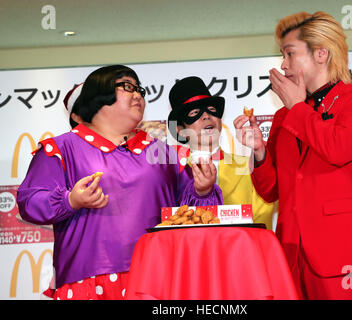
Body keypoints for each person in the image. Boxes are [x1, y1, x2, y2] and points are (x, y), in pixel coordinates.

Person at [17, 65, 223, 300]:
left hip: (158, 278)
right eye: (128, 87)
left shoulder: (165, 153)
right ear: (97, 93)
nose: (138, 94)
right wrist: (69, 200)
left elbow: (193, 216)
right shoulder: (61, 149)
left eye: (140, 89)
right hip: (88, 282)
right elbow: (29, 202)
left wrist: (203, 190)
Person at [234, 11, 352, 300]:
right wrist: (257, 150)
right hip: (289, 255)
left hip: (342, 254)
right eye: (282, 55)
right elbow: (269, 190)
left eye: (290, 53)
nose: (283, 64)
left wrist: (296, 107)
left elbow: (337, 148)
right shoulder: (284, 116)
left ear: (321, 53)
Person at [167, 76, 275, 228]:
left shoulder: (248, 166)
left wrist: (259, 151)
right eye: (194, 113)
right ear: (181, 131)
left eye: (211, 110)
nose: (206, 116)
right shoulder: (174, 172)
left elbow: (264, 212)